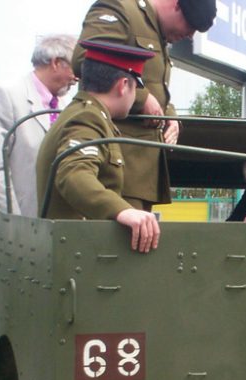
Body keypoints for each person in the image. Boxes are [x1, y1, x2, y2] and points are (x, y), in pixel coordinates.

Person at [73, 0, 217, 210]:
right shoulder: (119, 9)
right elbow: (86, 61)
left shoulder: (159, 30)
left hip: (142, 172)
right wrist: (140, 97)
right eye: (190, 25)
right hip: (116, 168)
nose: (190, 35)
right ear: (176, 5)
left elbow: (154, 84)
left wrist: (169, 115)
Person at [36, 40, 160, 253]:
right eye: (135, 86)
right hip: (80, 256)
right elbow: (74, 175)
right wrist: (122, 211)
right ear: (123, 86)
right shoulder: (88, 118)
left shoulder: (84, 114)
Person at [0, 34, 77, 216]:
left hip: (58, 224)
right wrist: (15, 221)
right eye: (75, 68)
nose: (77, 78)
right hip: (22, 223)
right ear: (56, 63)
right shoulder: (6, 95)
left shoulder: (68, 105)